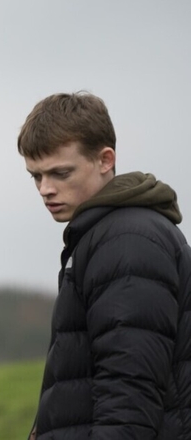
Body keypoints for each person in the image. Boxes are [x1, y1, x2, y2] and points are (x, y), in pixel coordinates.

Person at [18, 92, 191, 439]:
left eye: (60, 173)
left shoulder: (128, 242)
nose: (45, 189)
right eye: (36, 176)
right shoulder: (105, 235)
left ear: (104, 160)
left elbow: (129, 397)